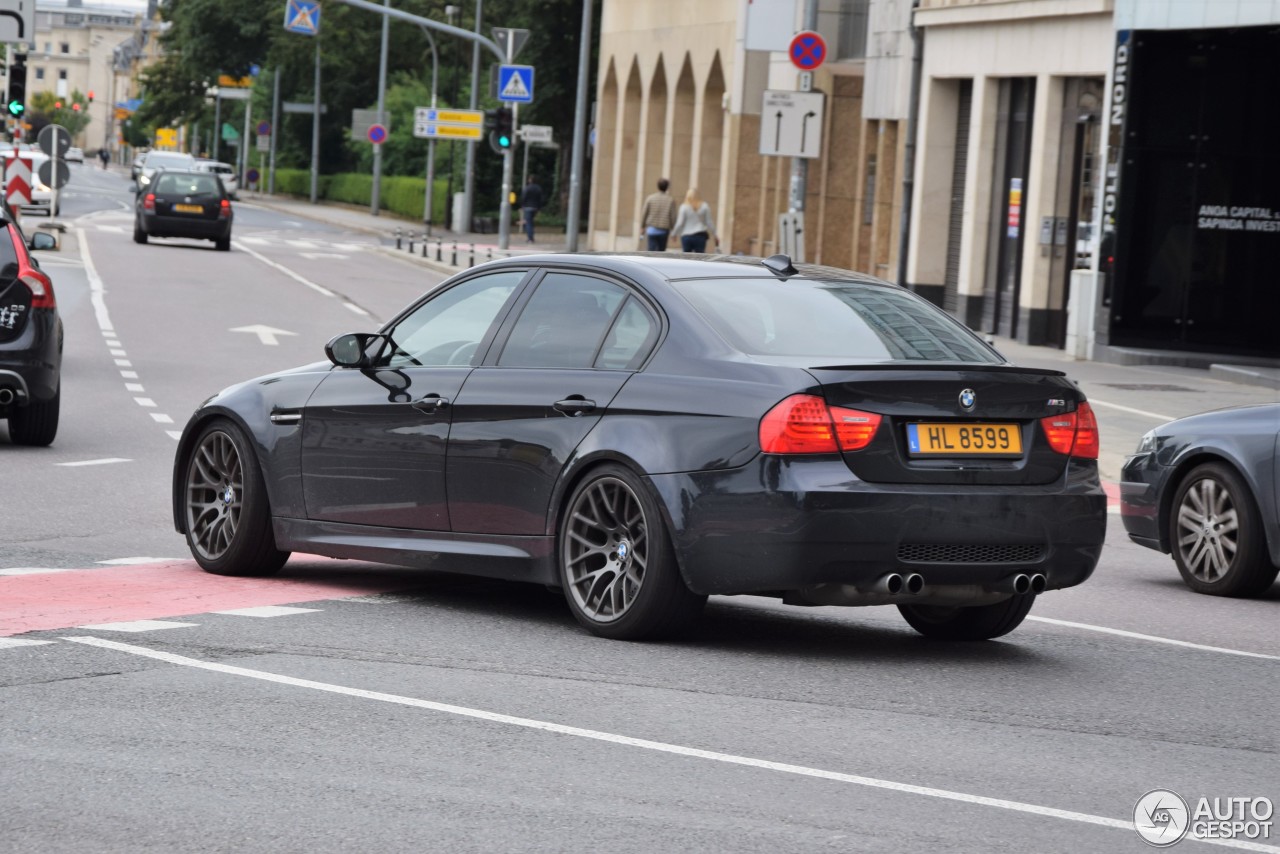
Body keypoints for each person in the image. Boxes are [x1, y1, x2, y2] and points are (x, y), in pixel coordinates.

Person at [672, 187, 716, 253]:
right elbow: (709, 222)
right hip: (700, 235)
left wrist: (674, 233)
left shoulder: (684, 207)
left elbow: (680, 223)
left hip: (686, 236)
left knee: (686, 259)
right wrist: (715, 234)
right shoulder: (704, 206)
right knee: (700, 259)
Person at [639, 178, 676, 251]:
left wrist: (642, 227)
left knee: (651, 251)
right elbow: (673, 217)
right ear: (667, 187)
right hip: (664, 231)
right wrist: (673, 231)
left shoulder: (650, 198)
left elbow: (644, 213)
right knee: (661, 252)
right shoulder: (670, 200)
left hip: (652, 229)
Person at [518, 175, 543, 244]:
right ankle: (531, 237)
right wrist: (539, 208)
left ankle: (530, 238)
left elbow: (523, 197)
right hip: (535, 208)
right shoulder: (538, 188)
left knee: (528, 223)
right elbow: (540, 199)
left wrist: (522, 206)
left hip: (527, 207)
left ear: (530, 180)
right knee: (531, 222)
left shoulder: (527, 188)